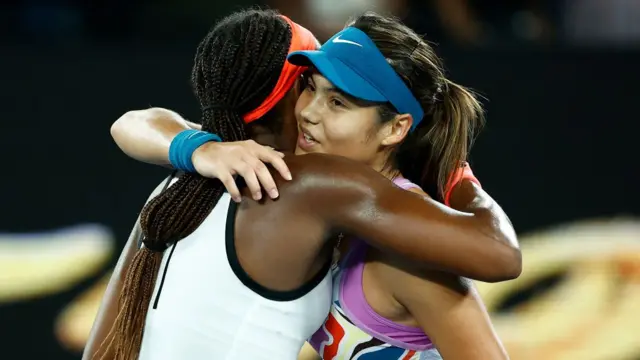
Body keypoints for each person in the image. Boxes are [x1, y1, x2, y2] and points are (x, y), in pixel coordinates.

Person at [91, 9, 520, 360]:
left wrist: (458, 177)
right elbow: (136, 123)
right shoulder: (266, 175)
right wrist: (199, 147)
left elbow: (502, 256)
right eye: (309, 88)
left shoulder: (341, 202)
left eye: (338, 102)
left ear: (396, 129)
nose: (309, 113)